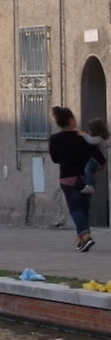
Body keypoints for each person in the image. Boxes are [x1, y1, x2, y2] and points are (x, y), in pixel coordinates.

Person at [46, 106, 104, 254]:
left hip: (67, 178)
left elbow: (55, 159)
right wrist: (97, 169)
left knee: (76, 209)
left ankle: (85, 235)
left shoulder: (55, 139)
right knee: (83, 209)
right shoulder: (83, 137)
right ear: (71, 120)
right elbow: (99, 157)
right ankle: (83, 238)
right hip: (86, 179)